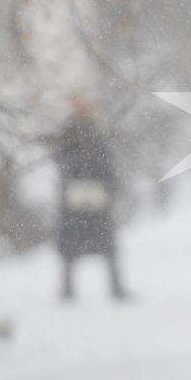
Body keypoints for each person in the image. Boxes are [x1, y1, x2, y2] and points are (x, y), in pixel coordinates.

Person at [52, 96, 127, 302]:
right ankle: (70, 289)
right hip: (80, 198)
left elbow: (104, 163)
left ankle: (112, 288)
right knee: (80, 246)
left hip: (89, 198)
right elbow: (66, 163)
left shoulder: (85, 133)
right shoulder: (72, 134)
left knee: (97, 245)